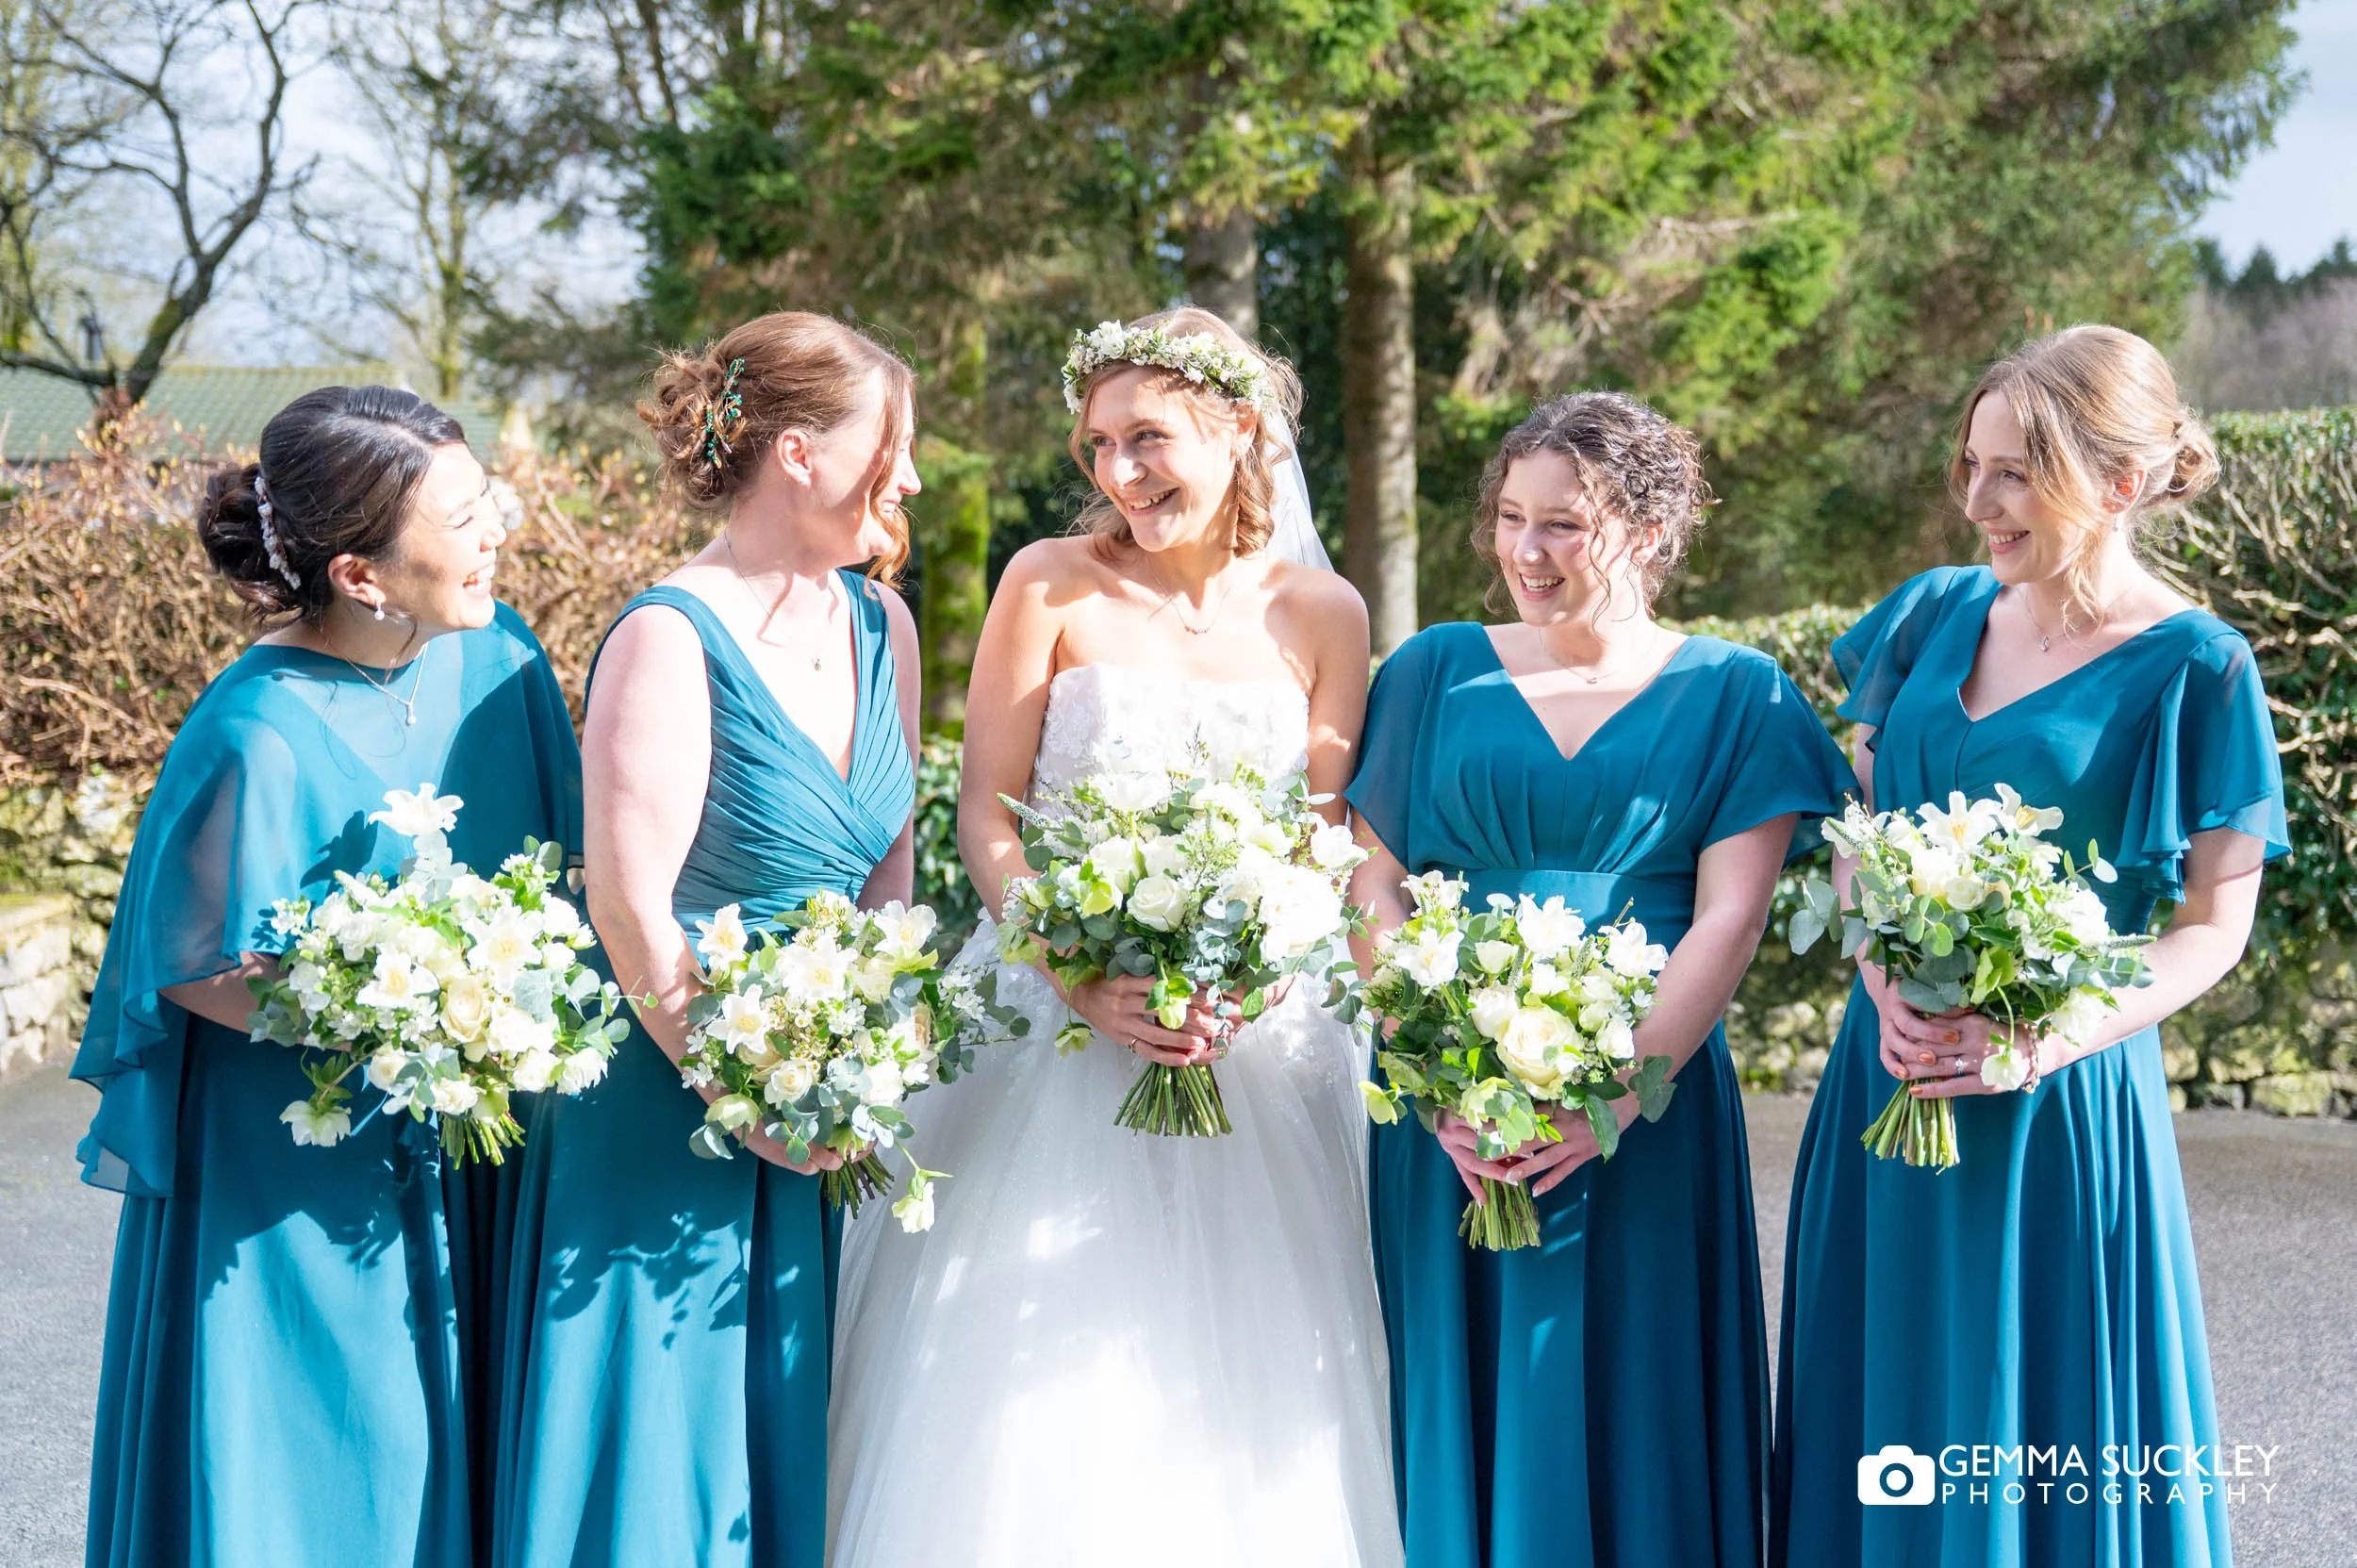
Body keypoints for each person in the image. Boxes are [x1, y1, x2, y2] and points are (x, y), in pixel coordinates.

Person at [826, 307, 1401, 1567]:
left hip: (1252, 1037)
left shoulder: (1327, 610)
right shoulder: (1048, 578)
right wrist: (1080, 974)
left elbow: (1326, 834)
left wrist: (1253, 971)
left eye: (1149, 437)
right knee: (1018, 1368)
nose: (1119, 473)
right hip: (1051, 1014)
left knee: (1250, 1363)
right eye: (1098, 445)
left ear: (1239, 426)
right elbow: (986, 812)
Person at [1771, 325, 2290, 1567]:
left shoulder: (2201, 670)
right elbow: (1859, 823)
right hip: (1884, 1074)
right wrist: (1881, 969)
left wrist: (2042, 1033)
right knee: (1883, 1421)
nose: (1979, 502)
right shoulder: (1933, 615)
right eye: (1971, 464)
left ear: (2119, 482)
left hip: (2057, 1105)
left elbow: (2214, 925)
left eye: (2016, 471)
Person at [1346, 390, 1853, 1567]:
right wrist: (1432, 1082)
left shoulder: (1739, 692)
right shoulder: (1428, 673)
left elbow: (1729, 916)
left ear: (1651, 531)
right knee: (1457, 1394)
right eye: (1512, 519)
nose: (1527, 551)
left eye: (1565, 525)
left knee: (1639, 1382)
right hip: (1448, 1106)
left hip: (1647, 1103)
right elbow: (1370, 889)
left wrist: (1613, 1097)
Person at [76, 387, 576, 1567]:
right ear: (361, 574)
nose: (496, 527)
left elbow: (569, 879)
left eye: (485, 497)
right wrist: (377, 1013)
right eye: (461, 518)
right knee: (339, 1466)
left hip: (476, 1140)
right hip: (294, 1160)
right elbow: (190, 967)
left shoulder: (506, 666)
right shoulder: (248, 729)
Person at [491, 312, 923, 1568]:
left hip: (830, 1082)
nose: (907, 480)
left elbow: (886, 861)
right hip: (672, 1079)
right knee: (663, 1437)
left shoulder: (881, 626)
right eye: (889, 447)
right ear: (798, 453)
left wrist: (866, 1042)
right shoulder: (670, 635)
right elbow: (630, 904)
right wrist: (749, 1086)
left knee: (802, 1412)